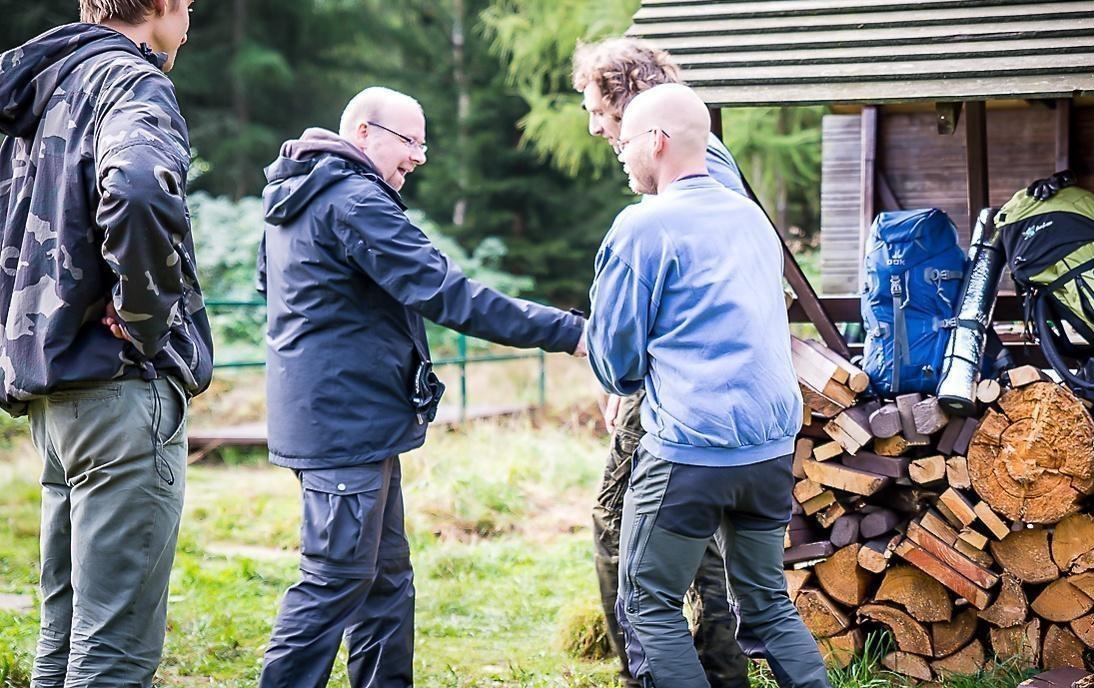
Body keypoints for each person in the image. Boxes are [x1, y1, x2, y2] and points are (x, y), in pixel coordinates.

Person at [256, 87, 586, 688]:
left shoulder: (302, 194)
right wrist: (569, 332)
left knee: (385, 578)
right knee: (335, 577)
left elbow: (280, 289)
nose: (418, 157)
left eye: (423, 145)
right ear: (363, 132)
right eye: (409, 142)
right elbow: (448, 294)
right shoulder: (352, 200)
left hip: (351, 419)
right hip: (343, 425)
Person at [0, 0, 213, 688]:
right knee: (114, 653)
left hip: (53, 395)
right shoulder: (132, 82)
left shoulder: (40, 90)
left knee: (62, 641)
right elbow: (139, 187)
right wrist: (147, 318)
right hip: (119, 393)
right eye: (188, 4)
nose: (186, 23)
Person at [587, 83, 829, 688]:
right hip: (769, 453)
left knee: (649, 606)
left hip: (689, 454)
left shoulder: (642, 227)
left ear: (657, 141)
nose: (621, 153)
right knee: (768, 606)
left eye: (626, 141)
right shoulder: (754, 219)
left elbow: (615, 364)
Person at [572, 37, 749, 687]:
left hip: (674, 383)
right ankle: (718, 672)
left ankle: (647, 673)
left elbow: (681, 283)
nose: (595, 127)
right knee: (694, 531)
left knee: (617, 521)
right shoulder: (701, 157)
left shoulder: (692, 168)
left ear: (629, 98)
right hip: (695, 380)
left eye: (598, 109)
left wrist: (626, 377)